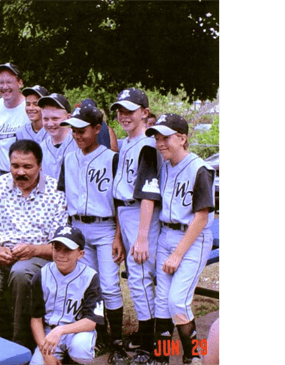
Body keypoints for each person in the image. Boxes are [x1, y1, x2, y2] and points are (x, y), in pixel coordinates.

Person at [0, 139, 68, 351]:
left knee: (21, 274)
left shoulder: (55, 191)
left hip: (37, 255)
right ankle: (3, 330)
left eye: (27, 166)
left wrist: (34, 250)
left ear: (40, 166)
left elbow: (60, 243)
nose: (20, 172)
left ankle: (19, 343)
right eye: (15, 166)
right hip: (0, 251)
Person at [57, 98, 128, 364]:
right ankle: (99, 335)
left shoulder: (112, 159)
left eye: (82, 130)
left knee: (109, 286)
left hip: (106, 226)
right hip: (78, 228)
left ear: (97, 128)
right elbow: (64, 200)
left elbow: (120, 202)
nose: (76, 135)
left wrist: (119, 236)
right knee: (87, 285)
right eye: (73, 130)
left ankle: (118, 342)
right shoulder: (68, 157)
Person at [144, 114, 216, 365]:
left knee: (178, 301)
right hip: (166, 234)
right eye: (157, 137)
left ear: (183, 138)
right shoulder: (164, 166)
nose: (159, 142)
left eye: (166, 137)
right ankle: (162, 358)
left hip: (193, 238)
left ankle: (194, 356)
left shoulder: (199, 168)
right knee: (162, 301)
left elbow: (201, 216)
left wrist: (177, 254)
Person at [109, 87, 163, 365]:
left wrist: (141, 237)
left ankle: (151, 346)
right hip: (127, 216)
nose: (123, 115)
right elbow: (119, 195)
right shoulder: (126, 143)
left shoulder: (148, 145)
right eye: (120, 110)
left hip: (143, 216)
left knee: (142, 280)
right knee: (138, 280)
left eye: (130, 110)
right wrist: (119, 235)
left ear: (145, 112)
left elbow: (148, 195)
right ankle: (145, 337)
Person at [29, 225, 104, 365]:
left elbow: (91, 321)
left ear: (80, 254)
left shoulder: (90, 277)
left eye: (68, 250)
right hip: (49, 335)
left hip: (77, 332)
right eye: (57, 248)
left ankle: (73, 360)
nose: (61, 254)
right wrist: (46, 354)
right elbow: (36, 319)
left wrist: (61, 330)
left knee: (81, 350)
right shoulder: (42, 275)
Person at [0, 62, 31, 197]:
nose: (5, 87)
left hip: (27, 177)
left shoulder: (30, 108)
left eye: (9, 82)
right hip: (1, 175)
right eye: (0, 83)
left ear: (20, 83)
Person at [37, 93, 77, 181]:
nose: (50, 124)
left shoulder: (79, 143)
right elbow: (41, 181)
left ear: (68, 118)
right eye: (46, 119)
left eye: (55, 119)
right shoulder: (41, 148)